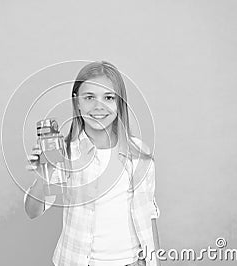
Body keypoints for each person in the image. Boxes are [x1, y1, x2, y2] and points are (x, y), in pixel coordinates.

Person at [24, 61, 161, 266]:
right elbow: (33, 211)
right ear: (77, 102)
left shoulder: (140, 153)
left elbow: (148, 215)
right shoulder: (65, 153)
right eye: (89, 97)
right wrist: (44, 173)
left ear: (119, 103)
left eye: (108, 97)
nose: (99, 106)